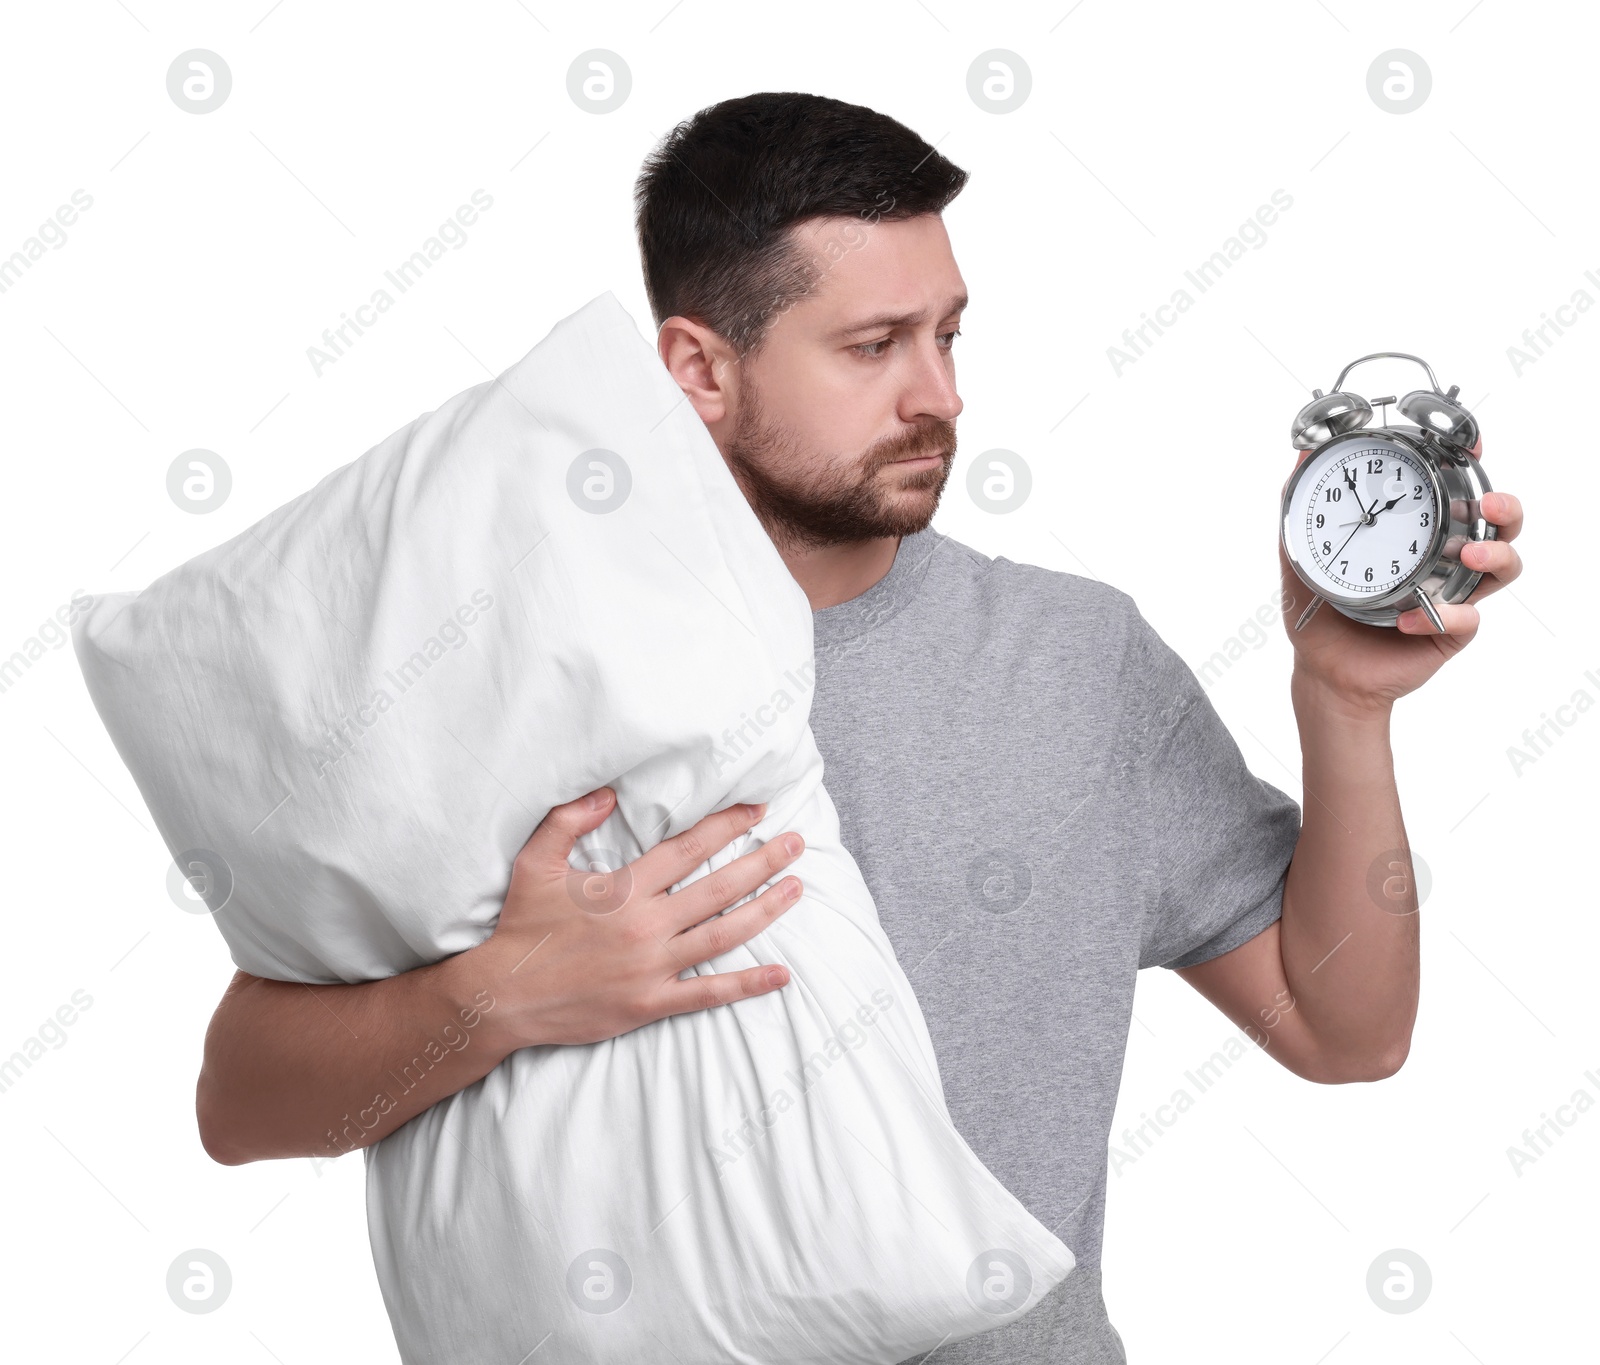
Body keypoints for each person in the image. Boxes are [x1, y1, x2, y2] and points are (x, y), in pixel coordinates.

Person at [195, 92, 1525, 1362]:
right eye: (874, 346)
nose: (937, 395)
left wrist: (1341, 708)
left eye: (950, 335)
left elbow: (1347, 1031)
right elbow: (239, 1100)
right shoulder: (515, 669)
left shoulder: (1075, 658)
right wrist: (496, 997)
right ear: (700, 371)